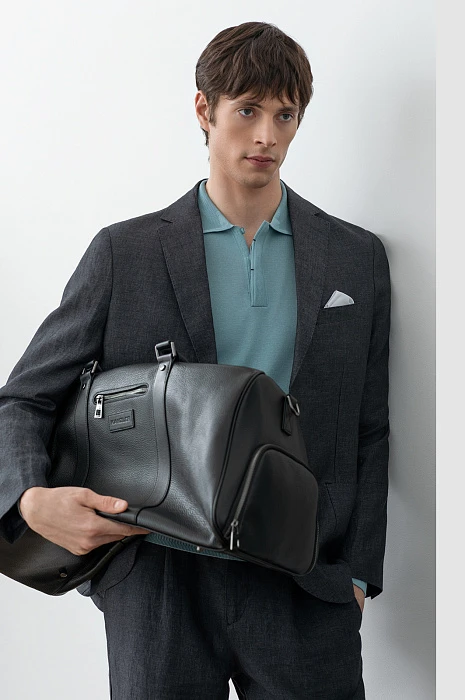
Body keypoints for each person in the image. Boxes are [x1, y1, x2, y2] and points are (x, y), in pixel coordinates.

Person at [0, 21, 391, 699]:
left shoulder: (354, 257)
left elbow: (369, 428)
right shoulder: (126, 253)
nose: (266, 136)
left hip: (301, 577)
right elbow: (24, 398)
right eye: (247, 110)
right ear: (204, 110)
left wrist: (357, 574)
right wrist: (28, 498)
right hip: (159, 576)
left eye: (285, 115)